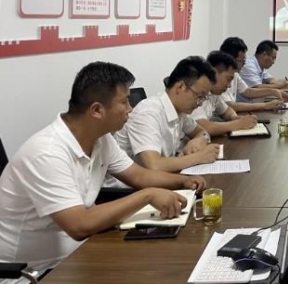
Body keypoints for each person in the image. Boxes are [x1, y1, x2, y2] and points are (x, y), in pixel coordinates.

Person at [0, 62, 206, 273]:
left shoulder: (101, 139)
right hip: (34, 272)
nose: (130, 109)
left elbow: (139, 176)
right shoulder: (47, 153)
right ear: (97, 110)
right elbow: (79, 225)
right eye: (124, 102)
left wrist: (184, 181)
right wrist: (148, 195)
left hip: (81, 252)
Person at [113, 56, 221, 172]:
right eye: (199, 96)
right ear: (180, 87)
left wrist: (198, 140)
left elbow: (202, 132)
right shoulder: (148, 113)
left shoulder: (180, 112)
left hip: (160, 177)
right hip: (130, 182)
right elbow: (154, 166)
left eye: (204, 98)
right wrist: (199, 157)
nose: (200, 103)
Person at [191, 51, 259, 136]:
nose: (229, 85)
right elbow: (204, 127)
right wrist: (238, 124)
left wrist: (234, 117)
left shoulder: (214, 94)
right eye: (229, 79)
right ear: (214, 73)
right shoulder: (196, 92)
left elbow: (227, 110)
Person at [219, 37, 288, 111]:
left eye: (244, 59)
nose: (244, 63)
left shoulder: (235, 74)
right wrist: (265, 105)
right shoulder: (219, 76)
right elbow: (230, 106)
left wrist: (273, 91)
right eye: (241, 60)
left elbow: (248, 91)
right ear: (230, 59)